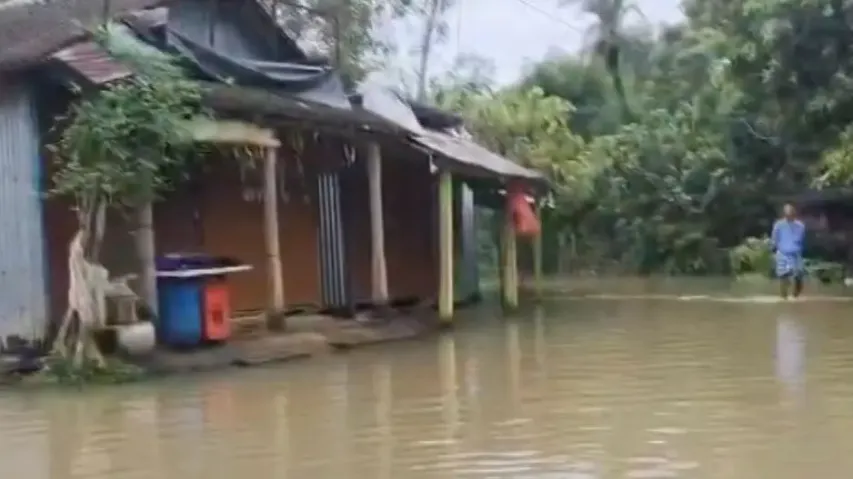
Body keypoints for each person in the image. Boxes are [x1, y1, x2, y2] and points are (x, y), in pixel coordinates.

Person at [771, 203, 806, 299]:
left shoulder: (800, 226)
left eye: (790, 213)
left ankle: (796, 296)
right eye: (787, 214)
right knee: (783, 276)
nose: (788, 215)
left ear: (794, 213)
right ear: (784, 214)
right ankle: (784, 297)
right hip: (782, 252)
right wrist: (774, 251)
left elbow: (801, 239)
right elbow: (774, 239)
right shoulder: (778, 225)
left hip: (795, 253)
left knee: (799, 275)